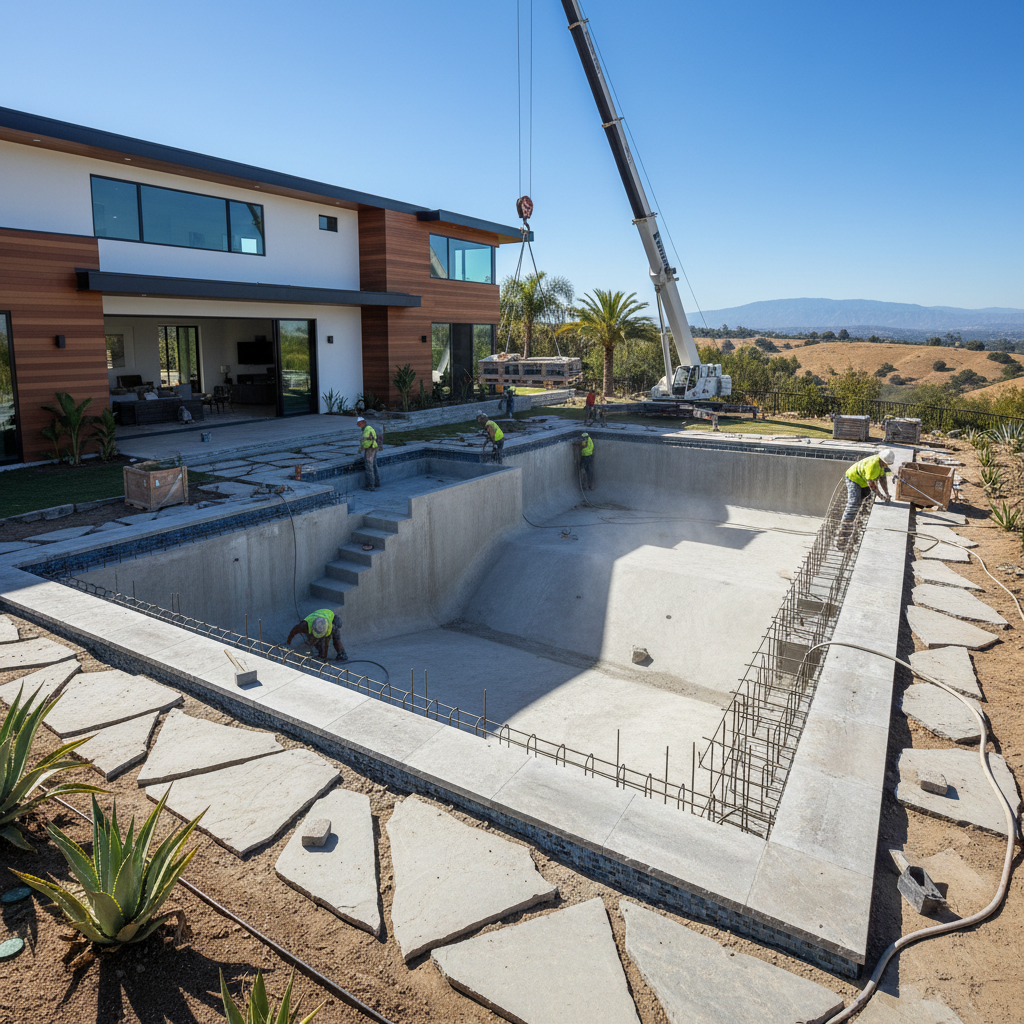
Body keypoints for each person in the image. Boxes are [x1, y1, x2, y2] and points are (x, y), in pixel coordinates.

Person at [838, 448, 895, 547]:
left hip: (863, 480)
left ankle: (856, 519)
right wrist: (881, 496)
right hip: (854, 478)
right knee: (854, 502)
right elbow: (872, 486)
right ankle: (844, 527)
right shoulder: (872, 466)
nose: (886, 466)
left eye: (888, 464)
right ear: (882, 460)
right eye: (886, 464)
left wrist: (886, 493)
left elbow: (882, 479)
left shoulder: (881, 464)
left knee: (865, 499)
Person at [357, 416, 380, 490]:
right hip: (374, 447)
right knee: (374, 465)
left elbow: (366, 440)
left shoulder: (367, 429)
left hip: (370, 448)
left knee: (369, 466)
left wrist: (361, 448)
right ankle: (377, 483)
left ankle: (371, 486)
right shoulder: (369, 427)